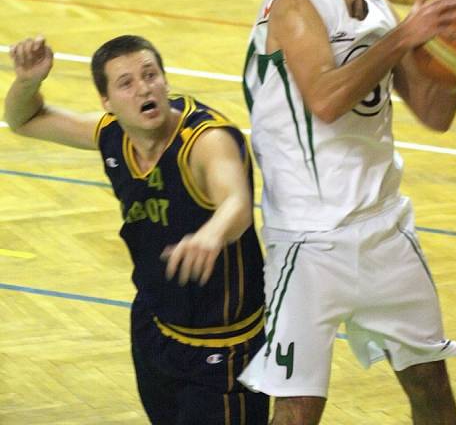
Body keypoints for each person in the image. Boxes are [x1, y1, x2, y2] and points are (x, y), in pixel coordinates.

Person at [239, 0, 456, 425]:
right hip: (308, 244)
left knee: (431, 385)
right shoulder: (292, 3)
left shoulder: (378, 10)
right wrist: (404, 36)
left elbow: (435, 115)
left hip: (386, 233)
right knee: (297, 409)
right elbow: (328, 99)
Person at [4, 34, 269, 425]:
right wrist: (28, 81)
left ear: (165, 81)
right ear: (107, 103)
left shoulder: (205, 140)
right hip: (154, 327)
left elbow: (237, 203)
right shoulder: (112, 133)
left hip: (222, 351)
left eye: (150, 75)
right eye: (126, 82)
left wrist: (212, 234)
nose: (144, 87)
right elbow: (23, 119)